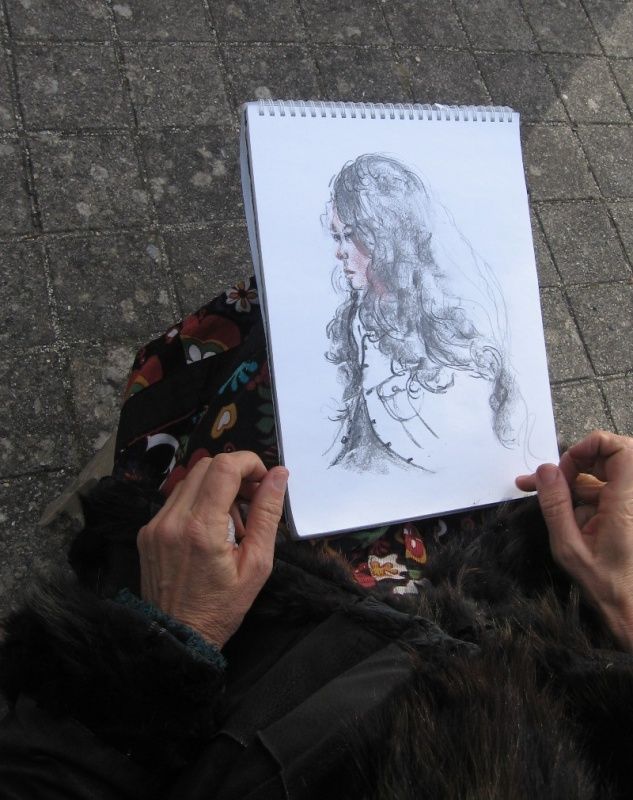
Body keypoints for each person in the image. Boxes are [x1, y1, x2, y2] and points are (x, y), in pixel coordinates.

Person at [1, 282, 633, 800]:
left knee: (249, 355)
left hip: (250, 673)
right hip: (515, 624)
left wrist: (163, 642)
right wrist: (623, 611)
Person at [324, 154, 523, 473]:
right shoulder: (355, 313)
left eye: (351, 236)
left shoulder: (441, 319)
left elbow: (458, 440)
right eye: (337, 237)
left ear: (384, 238)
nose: (340, 251)